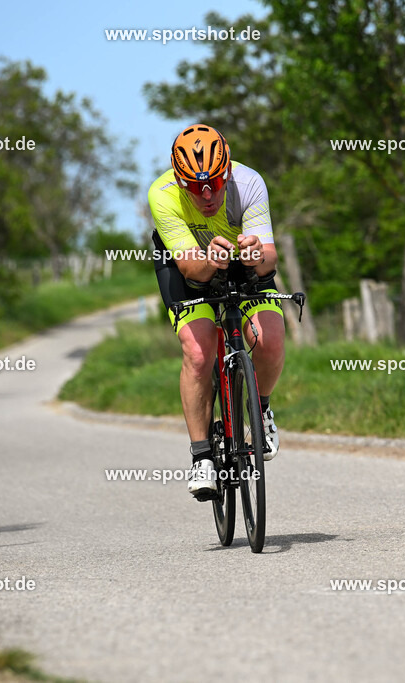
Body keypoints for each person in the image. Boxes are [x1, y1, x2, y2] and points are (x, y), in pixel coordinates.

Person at [147, 124, 284, 500]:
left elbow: (270, 258)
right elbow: (192, 271)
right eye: (192, 186)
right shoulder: (162, 195)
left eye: (214, 184)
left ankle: (261, 410)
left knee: (269, 339)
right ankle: (202, 457)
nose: (206, 195)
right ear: (178, 179)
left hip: (238, 260)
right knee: (198, 351)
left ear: (227, 172)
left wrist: (256, 254)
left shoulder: (249, 182)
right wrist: (211, 259)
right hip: (186, 265)